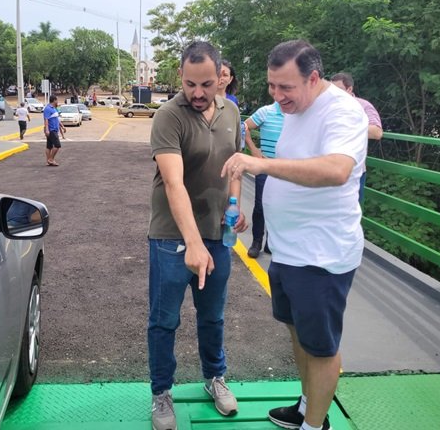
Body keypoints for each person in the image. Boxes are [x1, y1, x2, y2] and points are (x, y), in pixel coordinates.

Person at [221, 40, 368, 430]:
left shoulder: (342, 111)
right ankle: (307, 406)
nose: (277, 95)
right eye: (272, 85)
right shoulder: (296, 108)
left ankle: (314, 425)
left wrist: (262, 164)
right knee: (298, 333)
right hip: (287, 250)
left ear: (313, 78)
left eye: (285, 87)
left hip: (321, 254)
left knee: (320, 346)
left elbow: (336, 170)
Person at [148, 41, 246, 430]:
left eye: (206, 84)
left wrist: (235, 207)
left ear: (221, 76)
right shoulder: (168, 116)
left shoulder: (231, 111)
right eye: (190, 84)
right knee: (164, 320)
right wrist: (191, 243)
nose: (198, 93)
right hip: (171, 237)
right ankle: (161, 393)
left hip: (217, 234)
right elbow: (173, 184)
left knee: (213, 316)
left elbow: (235, 165)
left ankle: (214, 378)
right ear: (180, 76)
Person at [330, 72, 383, 202]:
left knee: (352, 209)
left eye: (338, 89)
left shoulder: (363, 105)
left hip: (354, 171)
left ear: (349, 89)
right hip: (328, 168)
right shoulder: (327, 107)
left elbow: (376, 132)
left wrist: (345, 128)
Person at [244, 100, 285, 258]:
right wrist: (254, 149)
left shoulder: (296, 113)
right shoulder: (266, 111)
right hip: (265, 165)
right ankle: (256, 241)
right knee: (260, 205)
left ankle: (271, 242)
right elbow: (244, 126)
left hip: (285, 169)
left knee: (280, 206)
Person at [43, 95, 65, 166]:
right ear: (54, 100)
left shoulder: (54, 109)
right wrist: (47, 130)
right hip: (51, 130)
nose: (57, 102)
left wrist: (62, 126)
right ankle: (51, 159)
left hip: (55, 129)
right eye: (57, 100)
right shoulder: (47, 108)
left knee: (49, 146)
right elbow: (46, 120)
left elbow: (57, 119)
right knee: (57, 145)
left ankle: (48, 161)